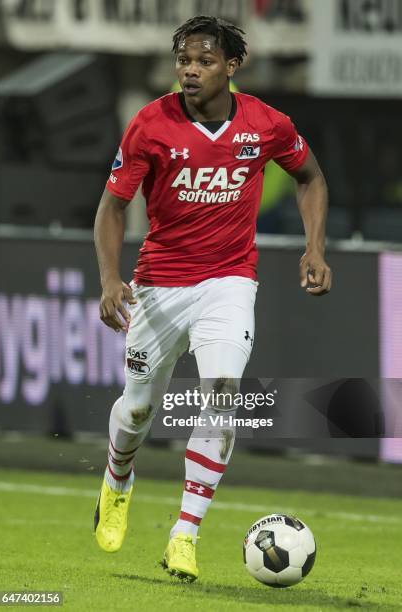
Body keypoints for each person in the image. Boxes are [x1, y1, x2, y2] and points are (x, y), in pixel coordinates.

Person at [93, 15, 331, 582]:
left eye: (202, 61)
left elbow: (311, 177)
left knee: (222, 399)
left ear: (231, 66)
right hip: (158, 286)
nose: (190, 71)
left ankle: (184, 534)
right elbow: (111, 207)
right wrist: (109, 278)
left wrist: (314, 249)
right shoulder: (150, 125)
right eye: (183, 61)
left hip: (228, 282)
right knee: (138, 411)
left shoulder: (266, 125)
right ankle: (117, 478)